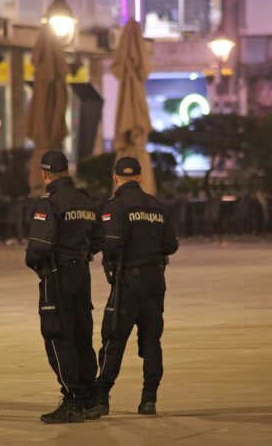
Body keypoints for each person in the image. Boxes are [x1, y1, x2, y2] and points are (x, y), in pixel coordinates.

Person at [96, 156, 179, 416]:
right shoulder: (157, 206)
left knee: (114, 338)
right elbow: (171, 245)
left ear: (115, 177)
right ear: (140, 178)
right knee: (152, 340)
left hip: (128, 281)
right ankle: (149, 398)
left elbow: (110, 243)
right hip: (155, 280)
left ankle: (101, 398)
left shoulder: (115, 206)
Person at [25, 150, 103, 424]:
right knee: (82, 334)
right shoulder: (86, 200)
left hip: (56, 274)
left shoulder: (50, 202)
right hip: (81, 273)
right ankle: (89, 398)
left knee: (58, 336)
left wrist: (35, 264)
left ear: (45, 174)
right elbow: (99, 239)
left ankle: (73, 398)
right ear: (67, 171)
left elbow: (39, 246)